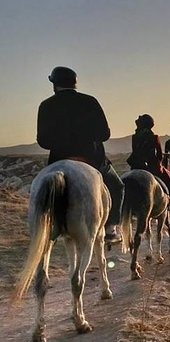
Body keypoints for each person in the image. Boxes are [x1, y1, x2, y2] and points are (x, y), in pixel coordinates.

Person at [37, 66, 124, 243]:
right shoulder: (90, 101)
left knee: (41, 189)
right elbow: (105, 134)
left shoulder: (46, 105)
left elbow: (43, 142)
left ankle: (49, 225)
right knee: (117, 186)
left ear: (54, 84)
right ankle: (110, 229)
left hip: (59, 159)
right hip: (90, 158)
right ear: (75, 83)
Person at [127, 114, 170, 210]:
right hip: (151, 166)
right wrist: (160, 163)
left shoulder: (134, 137)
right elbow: (159, 155)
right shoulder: (154, 137)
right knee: (169, 178)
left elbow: (135, 151)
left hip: (136, 165)